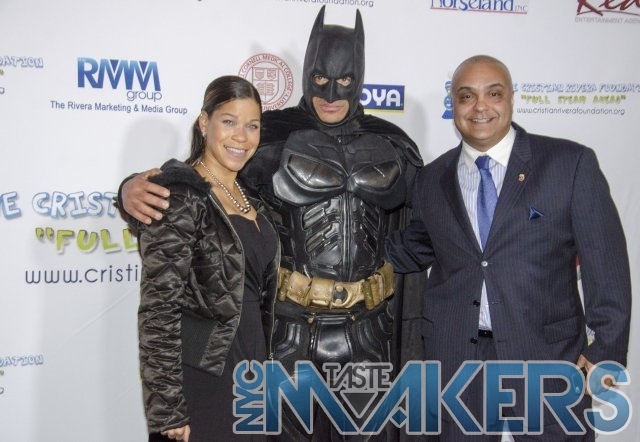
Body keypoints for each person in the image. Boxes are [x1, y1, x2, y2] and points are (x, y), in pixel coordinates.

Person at [118, 6, 423, 441]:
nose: (331, 92)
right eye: (320, 78)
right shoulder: (270, 137)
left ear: (360, 80)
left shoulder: (392, 143)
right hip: (285, 336)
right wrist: (129, 190)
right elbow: (192, 190)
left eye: (344, 80)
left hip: (368, 334)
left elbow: (434, 212)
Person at [385, 55, 632, 441]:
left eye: (493, 93)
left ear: (511, 98)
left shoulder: (569, 165)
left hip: (548, 360)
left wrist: (606, 351)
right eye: (467, 96)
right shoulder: (432, 179)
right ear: (454, 104)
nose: (480, 106)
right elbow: (419, 245)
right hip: (457, 363)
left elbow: (607, 264)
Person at [127, 75, 279, 442]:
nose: (241, 136)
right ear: (204, 122)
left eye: (252, 125)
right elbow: (159, 307)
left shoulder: (251, 196)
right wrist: (167, 407)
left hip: (253, 373)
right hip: (203, 376)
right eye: (229, 121)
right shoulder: (181, 193)